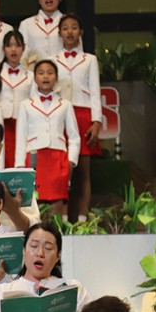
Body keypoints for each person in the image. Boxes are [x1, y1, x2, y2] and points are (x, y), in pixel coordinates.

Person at [15, 59, 80, 218]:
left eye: (50, 73)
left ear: (56, 77)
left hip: (58, 158)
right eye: (41, 73)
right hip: (35, 158)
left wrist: (71, 161)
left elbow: (74, 137)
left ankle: (59, 234)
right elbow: (21, 136)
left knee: (58, 201)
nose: (45, 77)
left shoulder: (65, 104)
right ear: (35, 77)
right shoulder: (25, 105)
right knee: (35, 202)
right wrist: (20, 165)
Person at [56, 13, 103, 222]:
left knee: (83, 171)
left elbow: (95, 91)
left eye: (74, 27)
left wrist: (97, 121)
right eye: (65, 28)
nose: (70, 32)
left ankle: (83, 218)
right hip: (59, 115)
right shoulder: (52, 61)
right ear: (59, 33)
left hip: (83, 114)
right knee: (62, 171)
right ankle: (63, 218)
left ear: (81, 32)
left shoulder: (90, 60)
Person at [0, 30, 32, 170]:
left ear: (23, 48)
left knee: (19, 161)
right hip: (1, 125)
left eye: (17, 46)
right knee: (1, 161)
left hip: (22, 126)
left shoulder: (30, 75)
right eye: (9, 46)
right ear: (3, 49)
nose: (13, 49)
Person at [17, 0, 65, 65]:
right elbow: (23, 56)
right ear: (38, 0)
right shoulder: (26, 24)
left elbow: (77, 54)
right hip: (35, 75)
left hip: (63, 75)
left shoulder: (69, 23)